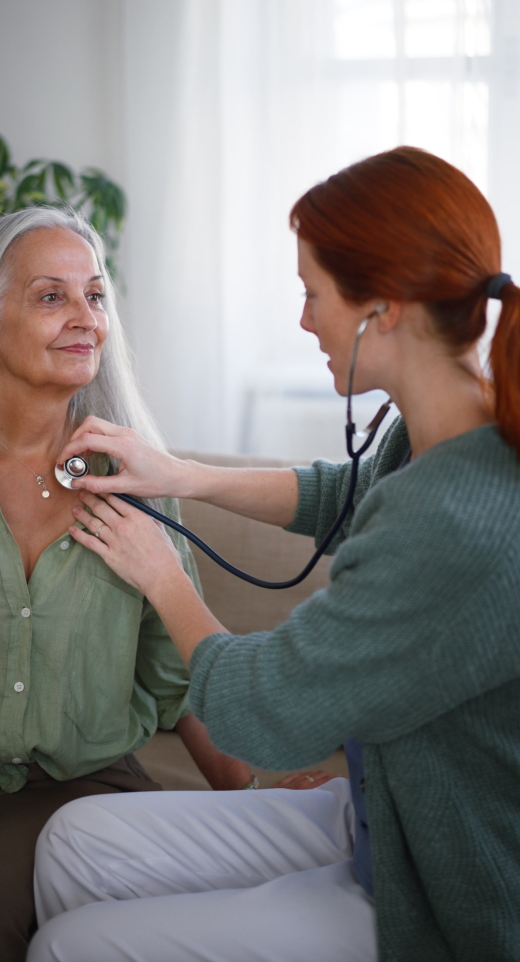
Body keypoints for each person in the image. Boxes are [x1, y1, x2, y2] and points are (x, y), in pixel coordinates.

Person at [28, 146, 520, 962]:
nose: (303, 321)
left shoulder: (455, 520)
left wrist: (160, 572)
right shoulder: (449, 429)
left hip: (446, 891)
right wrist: (182, 473)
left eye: (312, 294)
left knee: (70, 946)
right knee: (73, 840)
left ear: (382, 311)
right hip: (386, 813)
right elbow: (344, 495)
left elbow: (268, 716)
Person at [0, 205, 267, 962]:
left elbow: (180, 680)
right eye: (52, 296)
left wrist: (259, 805)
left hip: (70, 789)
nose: (86, 319)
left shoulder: (135, 482)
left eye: (97, 296)